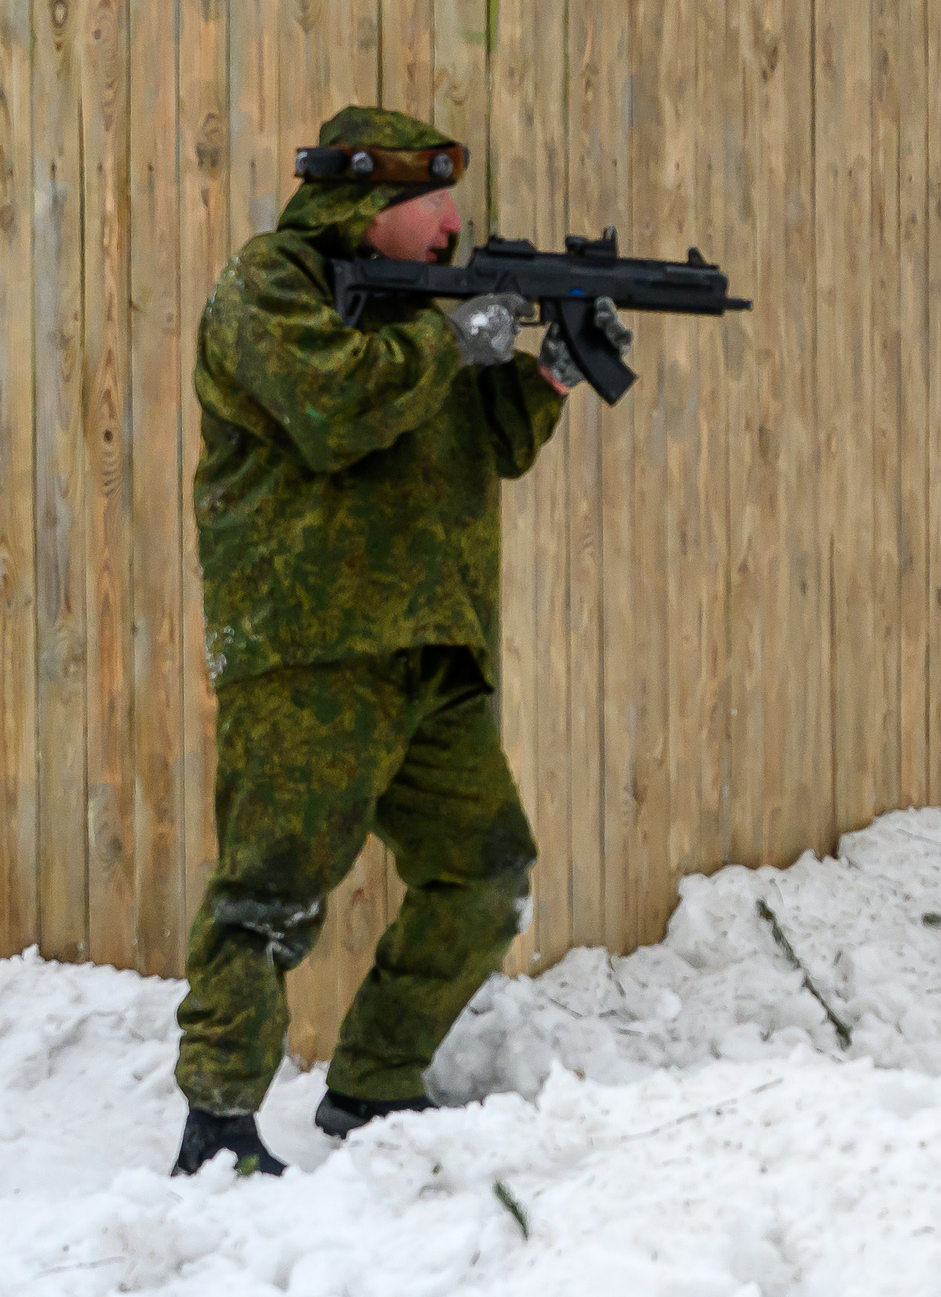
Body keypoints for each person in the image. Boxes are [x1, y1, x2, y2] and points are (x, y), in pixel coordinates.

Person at [169, 106, 632, 1176]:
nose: (453, 224)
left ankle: (374, 1084)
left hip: (433, 647)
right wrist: (455, 336)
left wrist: (551, 373)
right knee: (270, 890)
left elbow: (484, 443)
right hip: (312, 650)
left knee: (482, 875)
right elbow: (332, 409)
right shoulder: (269, 288)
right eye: (431, 202)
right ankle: (219, 1124)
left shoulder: (430, 312)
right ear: (363, 206)